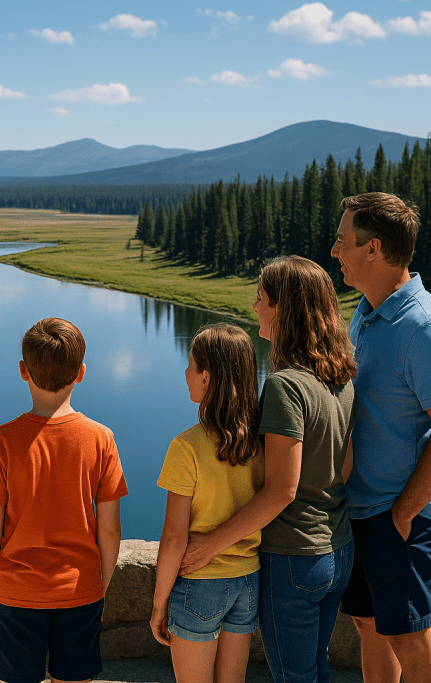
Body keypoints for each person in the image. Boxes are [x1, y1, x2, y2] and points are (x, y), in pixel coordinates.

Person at [177, 257, 357, 683]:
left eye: (260, 299)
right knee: (317, 669)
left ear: (283, 308)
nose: (255, 307)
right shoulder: (341, 379)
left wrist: (210, 545)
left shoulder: (284, 384)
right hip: (339, 548)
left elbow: (282, 491)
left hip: (294, 557)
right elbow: (344, 469)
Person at [331, 192, 431, 683]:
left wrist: (404, 513)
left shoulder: (426, 325)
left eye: (343, 240)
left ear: (372, 249)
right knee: (371, 627)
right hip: (365, 510)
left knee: (410, 638)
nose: (335, 251)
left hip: (401, 515)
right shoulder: (366, 314)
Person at [0, 317, 127, 683]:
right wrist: (98, 587)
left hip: (15, 593)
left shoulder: (0, 441)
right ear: (81, 372)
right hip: (80, 591)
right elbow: (110, 528)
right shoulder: (101, 439)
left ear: (23, 371)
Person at [150, 323, 265, 683]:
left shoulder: (186, 447)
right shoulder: (261, 442)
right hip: (248, 580)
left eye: (190, 365)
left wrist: (158, 603)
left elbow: (173, 537)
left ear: (206, 378)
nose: (185, 373)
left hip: (200, 583)